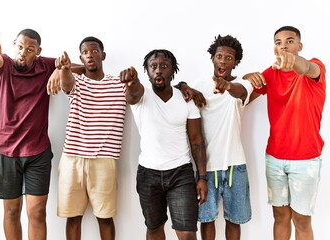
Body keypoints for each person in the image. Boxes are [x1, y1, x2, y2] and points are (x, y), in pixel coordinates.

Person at [243, 26, 326, 240]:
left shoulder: (315, 67)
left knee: (302, 220)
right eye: (278, 42)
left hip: (305, 159)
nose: (284, 46)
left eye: (290, 41)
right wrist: (248, 76)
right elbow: (244, 95)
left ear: (300, 45)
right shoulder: (271, 73)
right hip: (275, 158)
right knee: (280, 217)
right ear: (274, 48)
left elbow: (307, 67)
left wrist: (295, 62)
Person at [119, 49, 208, 240]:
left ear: (173, 70)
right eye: (153, 66)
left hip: (181, 173)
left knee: (187, 233)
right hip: (148, 174)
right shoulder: (142, 96)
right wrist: (131, 81)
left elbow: (197, 141)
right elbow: (133, 94)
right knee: (154, 228)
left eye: (164, 66)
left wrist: (202, 177)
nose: (158, 70)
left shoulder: (186, 98)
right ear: (147, 71)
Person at [47, 36, 126, 240]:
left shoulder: (119, 84)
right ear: (80, 58)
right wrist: (63, 68)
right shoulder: (77, 83)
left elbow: (136, 93)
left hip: (104, 160)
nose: (90, 54)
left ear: (103, 55)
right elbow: (66, 83)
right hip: (72, 159)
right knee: (73, 218)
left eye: (95, 51)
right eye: (85, 52)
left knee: (105, 218)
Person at [0, 29, 56, 240]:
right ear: (14, 45)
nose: (23, 52)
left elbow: (70, 65)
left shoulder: (45, 65)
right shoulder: (3, 64)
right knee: (12, 211)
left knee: (37, 212)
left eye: (30, 49)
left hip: (38, 151)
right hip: (6, 149)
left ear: (38, 52)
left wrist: (61, 69)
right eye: (20, 47)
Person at [186, 35, 253, 240]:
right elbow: (182, 95)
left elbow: (241, 92)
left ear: (236, 62)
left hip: (235, 165)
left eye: (229, 58)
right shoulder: (200, 84)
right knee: (207, 220)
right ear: (213, 59)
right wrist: (182, 86)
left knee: (235, 220)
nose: (223, 61)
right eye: (219, 56)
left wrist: (228, 86)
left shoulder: (243, 84)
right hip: (208, 168)